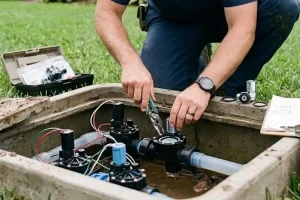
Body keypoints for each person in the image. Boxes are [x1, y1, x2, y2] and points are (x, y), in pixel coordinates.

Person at [94, 0, 300, 131]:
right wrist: (130, 63)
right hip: (174, 21)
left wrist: (205, 85)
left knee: (284, 7)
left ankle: (228, 86)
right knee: (164, 95)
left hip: (229, 13)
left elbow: (242, 27)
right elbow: (106, 12)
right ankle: (197, 57)